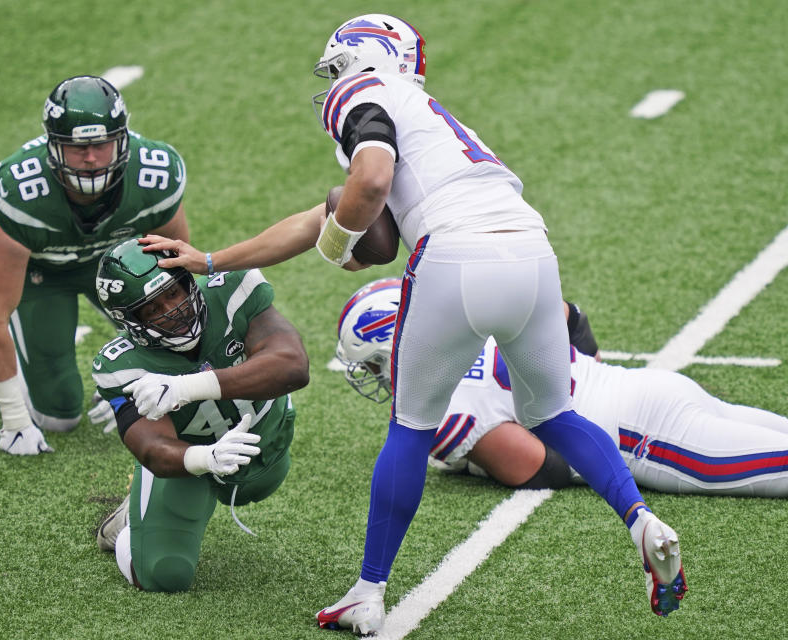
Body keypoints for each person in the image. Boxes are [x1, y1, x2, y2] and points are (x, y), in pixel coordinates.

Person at [138, 13, 686, 630]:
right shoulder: (435, 121)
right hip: (533, 253)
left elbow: (368, 182)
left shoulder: (362, 91)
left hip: (454, 256)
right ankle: (641, 520)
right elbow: (319, 216)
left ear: (361, 55)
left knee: (410, 426)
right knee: (554, 415)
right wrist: (213, 259)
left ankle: (367, 590)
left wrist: (338, 245)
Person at [338, 278, 788, 497]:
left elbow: (542, 469)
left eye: (375, 367)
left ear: (394, 347)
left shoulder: (443, 408)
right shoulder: (481, 317)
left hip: (644, 438)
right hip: (654, 387)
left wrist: (475, 463)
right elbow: (573, 320)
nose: (380, 379)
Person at [0, 75, 190, 455]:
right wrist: (15, 419)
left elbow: (178, 269)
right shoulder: (21, 192)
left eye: (100, 144)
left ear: (122, 139)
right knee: (58, 416)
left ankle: (117, 378)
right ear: (52, 147)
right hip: (43, 275)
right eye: (77, 148)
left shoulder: (154, 176)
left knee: (173, 320)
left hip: (118, 266)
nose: (92, 158)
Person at [90, 239, 309, 592]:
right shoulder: (121, 364)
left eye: (173, 293)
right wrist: (204, 457)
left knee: (261, 481)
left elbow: (292, 366)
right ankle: (131, 527)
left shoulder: (230, 288)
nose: (172, 311)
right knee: (164, 575)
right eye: (152, 308)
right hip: (188, 466)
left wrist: (186, 388)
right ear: (128, 321)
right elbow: (152, 449)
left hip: (269, 439)